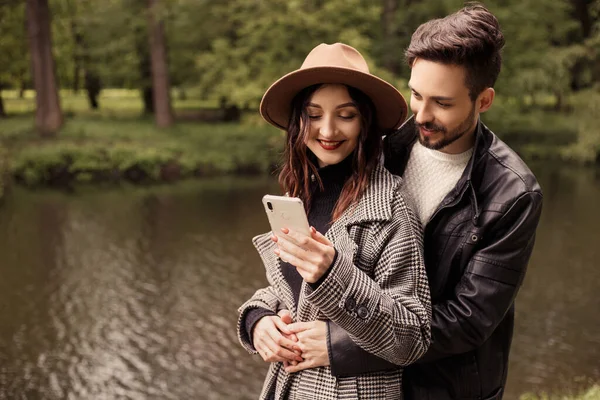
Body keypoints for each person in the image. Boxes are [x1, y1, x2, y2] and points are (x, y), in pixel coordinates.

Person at [320, 4, 544, 399]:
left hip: (446, 389)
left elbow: (468, 320)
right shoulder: (377, 151)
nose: (421, 115)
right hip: (366, 388)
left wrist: (341, 345)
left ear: (484, 100)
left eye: (441, 103)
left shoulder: (514, 194)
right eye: (415, 95)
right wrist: (261, 319)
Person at [236, 43, 431, 399]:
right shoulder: (301, 194)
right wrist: (258, 319)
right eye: (313, 114)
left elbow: (412, 337)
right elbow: (292, 294)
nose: (327, 130)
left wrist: (333, 274)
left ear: (365, 121)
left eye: (345, 115)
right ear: (298, 120)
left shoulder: (391, 206)